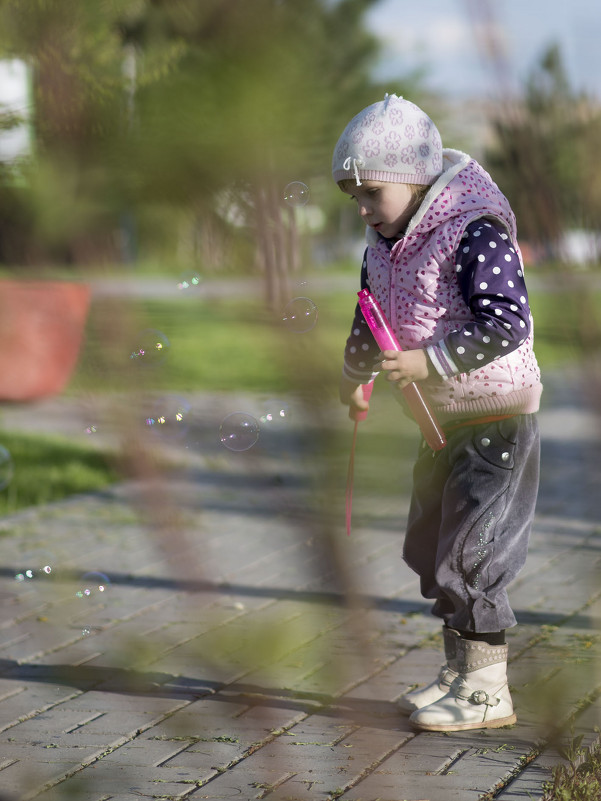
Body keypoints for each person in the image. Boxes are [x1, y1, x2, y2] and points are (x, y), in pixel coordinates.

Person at [332, 93, 542, 732]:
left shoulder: (473, 229)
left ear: (413, 178)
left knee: (473, 552)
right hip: (436, 422)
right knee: (429, 548)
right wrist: (356, 376)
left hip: (494, 418)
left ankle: (487, 692)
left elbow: (509, 322)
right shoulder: (382, 242)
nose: (363, 210)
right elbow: (370, 315)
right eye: (354, 197)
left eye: (371, 193)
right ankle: (459, 671)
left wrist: (428, 362)